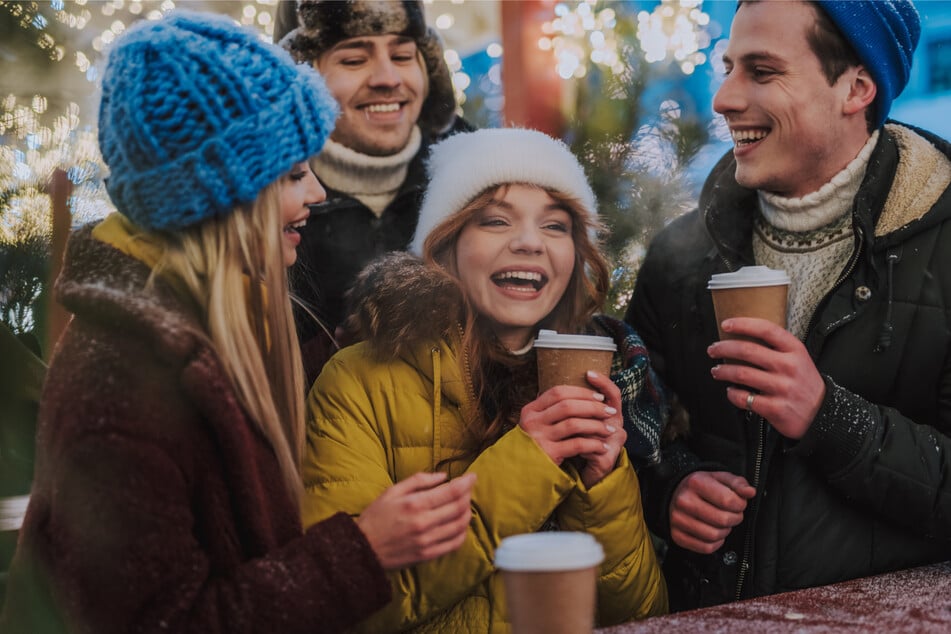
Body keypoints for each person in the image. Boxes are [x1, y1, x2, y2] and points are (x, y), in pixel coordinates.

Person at [0, 12, 475, 633]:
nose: (316, 195)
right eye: (292, 175)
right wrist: (362, 550)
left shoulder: (212, 328)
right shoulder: (119, 388)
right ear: (219, 194)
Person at [625, 0, 951, 612]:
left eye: (762, 70)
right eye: (728, 67)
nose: (723, 97)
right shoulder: (683, 255)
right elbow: (633, 432)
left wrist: (830, 417)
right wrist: (669, 490)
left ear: (855, 88)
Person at [302, 128, 670, 632]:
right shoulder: (357, 381)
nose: (529, 242)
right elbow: (354, 603)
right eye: (496, 221)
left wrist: (601, 487)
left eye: (556, 226)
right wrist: (530, 461)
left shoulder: (607, 375)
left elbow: (643, 617)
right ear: (445, 246)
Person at [274, 0, 472, 383]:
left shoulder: (478, 182)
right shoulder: (261, 203)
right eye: (353, 60)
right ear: (300, 78)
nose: (387, 78)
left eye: (402, 55)